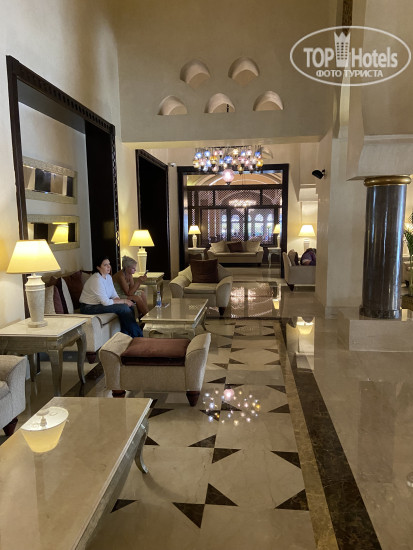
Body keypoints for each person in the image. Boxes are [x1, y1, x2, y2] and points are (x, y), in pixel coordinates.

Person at [79, 255, 142, 337]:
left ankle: (126, 334)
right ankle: (138, 335)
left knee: (129, 306)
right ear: (98, 267)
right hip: (88, 307)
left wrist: (123, 302)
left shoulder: (108, 277)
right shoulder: (96, 280)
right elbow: (106, 302)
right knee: (124, 308)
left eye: (109, 264)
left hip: (99, 304)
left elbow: (114, 294)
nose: (109, 267)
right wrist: (123, 301)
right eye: (105, 265)